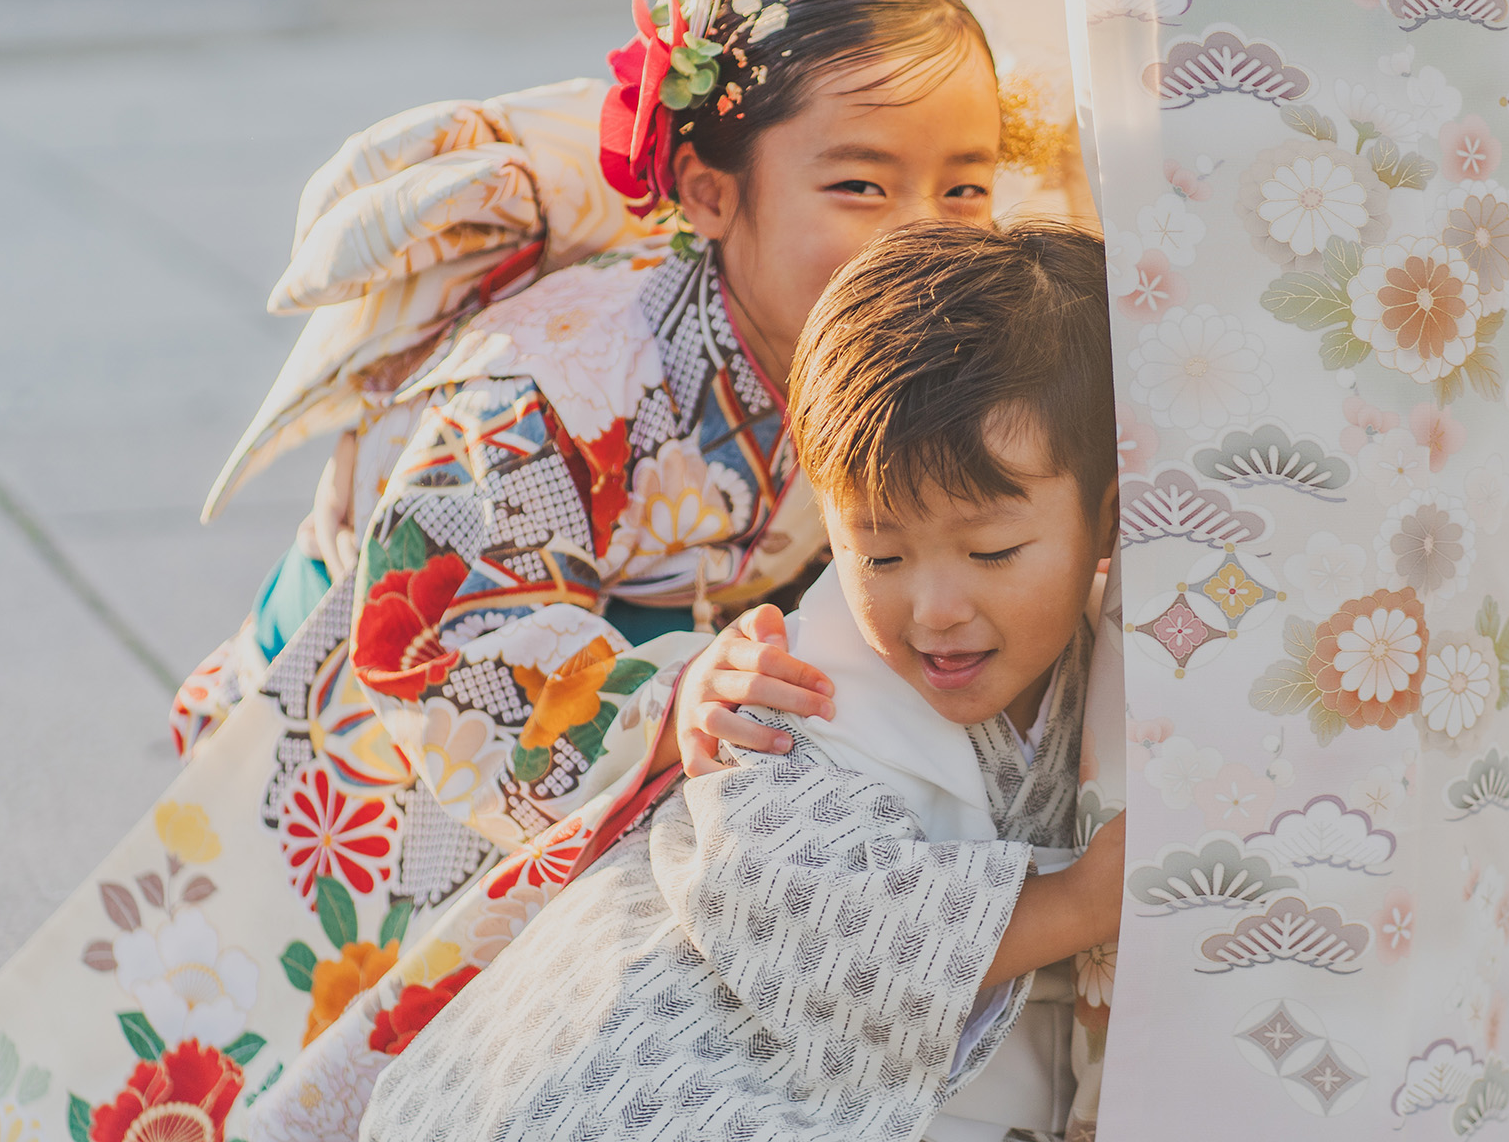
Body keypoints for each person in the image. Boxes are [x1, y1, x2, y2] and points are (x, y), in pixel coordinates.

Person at [0, 0, 1018, 1142]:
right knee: (251, 1029)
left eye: (965, 185)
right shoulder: (569, 372)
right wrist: (671, 694)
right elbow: (432, 627)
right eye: (862, 184)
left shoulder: (866, 355)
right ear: (708, 192)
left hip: (624, 711)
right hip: (397, 732)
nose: (924, 229)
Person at [348, 218, 1125, 1142]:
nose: (934, 609)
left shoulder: (1110, 660)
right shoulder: (785, 697)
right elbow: (823, 936)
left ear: (1110, 520)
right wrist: (1082, 902)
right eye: (878, 555)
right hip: (643, 1078)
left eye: (992, 551)